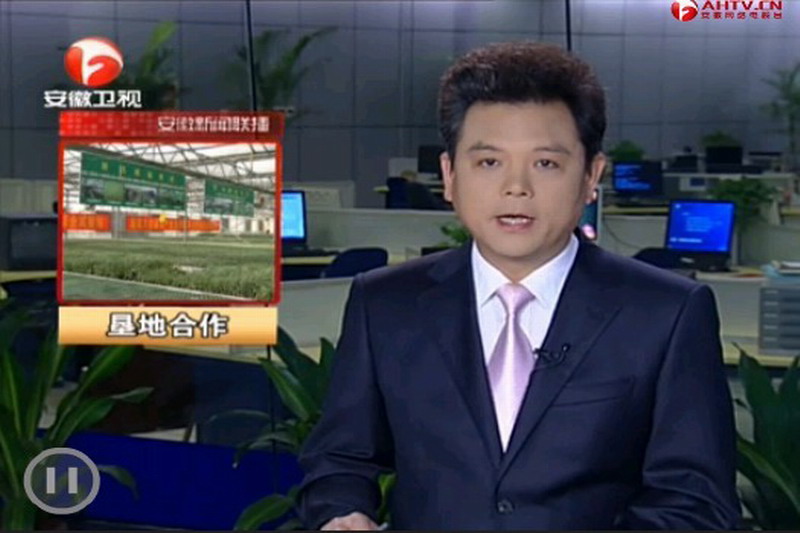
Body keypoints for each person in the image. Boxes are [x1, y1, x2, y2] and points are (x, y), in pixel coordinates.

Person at [296, 41, 740, 530]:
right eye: (489, 162)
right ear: (449, 175)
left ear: (591, 176)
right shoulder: (385, 302)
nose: (516, 187)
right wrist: (342, 513)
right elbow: (339, 458)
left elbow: (696, 503)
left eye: (545, 163)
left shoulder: (667, 312)